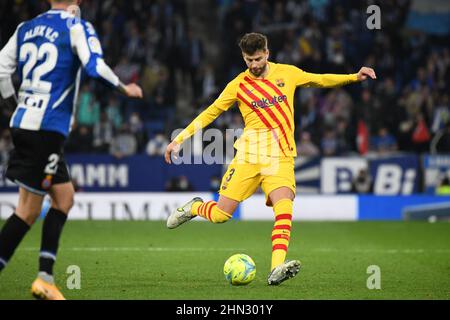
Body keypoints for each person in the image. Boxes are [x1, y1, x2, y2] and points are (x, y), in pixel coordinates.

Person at [165, 33, 376, 285]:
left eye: (257, 58)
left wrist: (354, 76)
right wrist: (180, 138)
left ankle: (277, 268)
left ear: (267, 53)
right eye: (248, 60)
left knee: (284, 207)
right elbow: (210, 112)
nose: (253, 64)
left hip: (281, 156)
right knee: (221, 215)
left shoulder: (288, 73)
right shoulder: (238, 85)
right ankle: (194, 207)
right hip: (248, 156)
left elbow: (320, 80)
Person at [0, 0, 143, 300]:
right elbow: (94, 66)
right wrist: (124, 88)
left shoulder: (25, 28)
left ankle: (45, 278)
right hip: (46, 128)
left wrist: (16, 107)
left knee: (64, 198)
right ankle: (43, 281)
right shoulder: (76, 26)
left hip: (26, 123)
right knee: (27, 211)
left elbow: (1, 71)